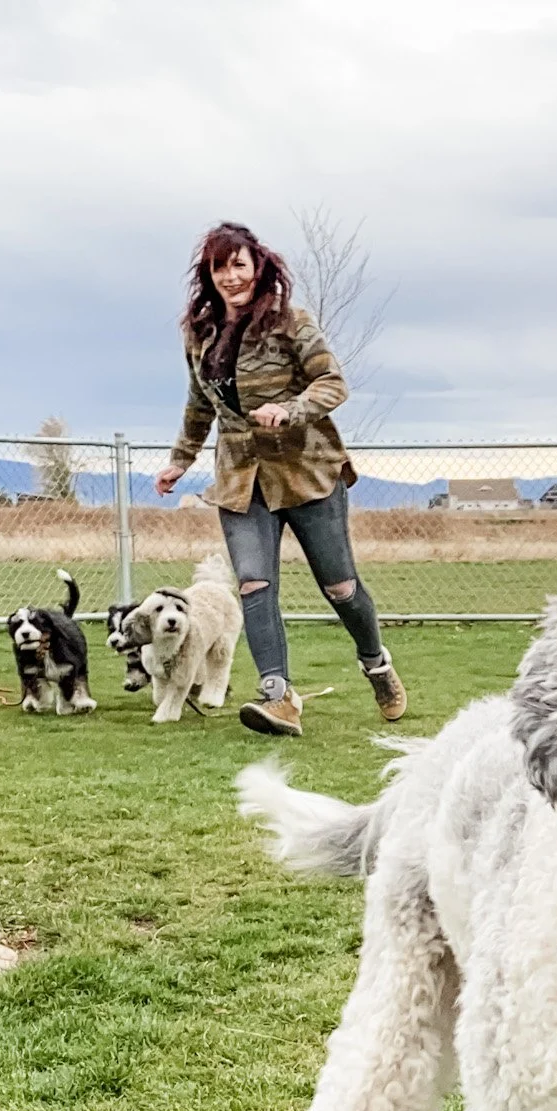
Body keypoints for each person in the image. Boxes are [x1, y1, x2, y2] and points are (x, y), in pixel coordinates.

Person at [154, 221, 405, 736]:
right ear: (209, 273)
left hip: (307, 473)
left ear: (258, 266)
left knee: (340, 587)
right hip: (240, 480)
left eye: (238, 265)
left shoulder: (292, 322)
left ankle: (376, 663)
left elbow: (332, 382)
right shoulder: (199, 333)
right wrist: (180, 460)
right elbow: (200, 402)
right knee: (253, 584)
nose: (230, 276)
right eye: (219, 267)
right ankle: (278, 696)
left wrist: (291, 408)